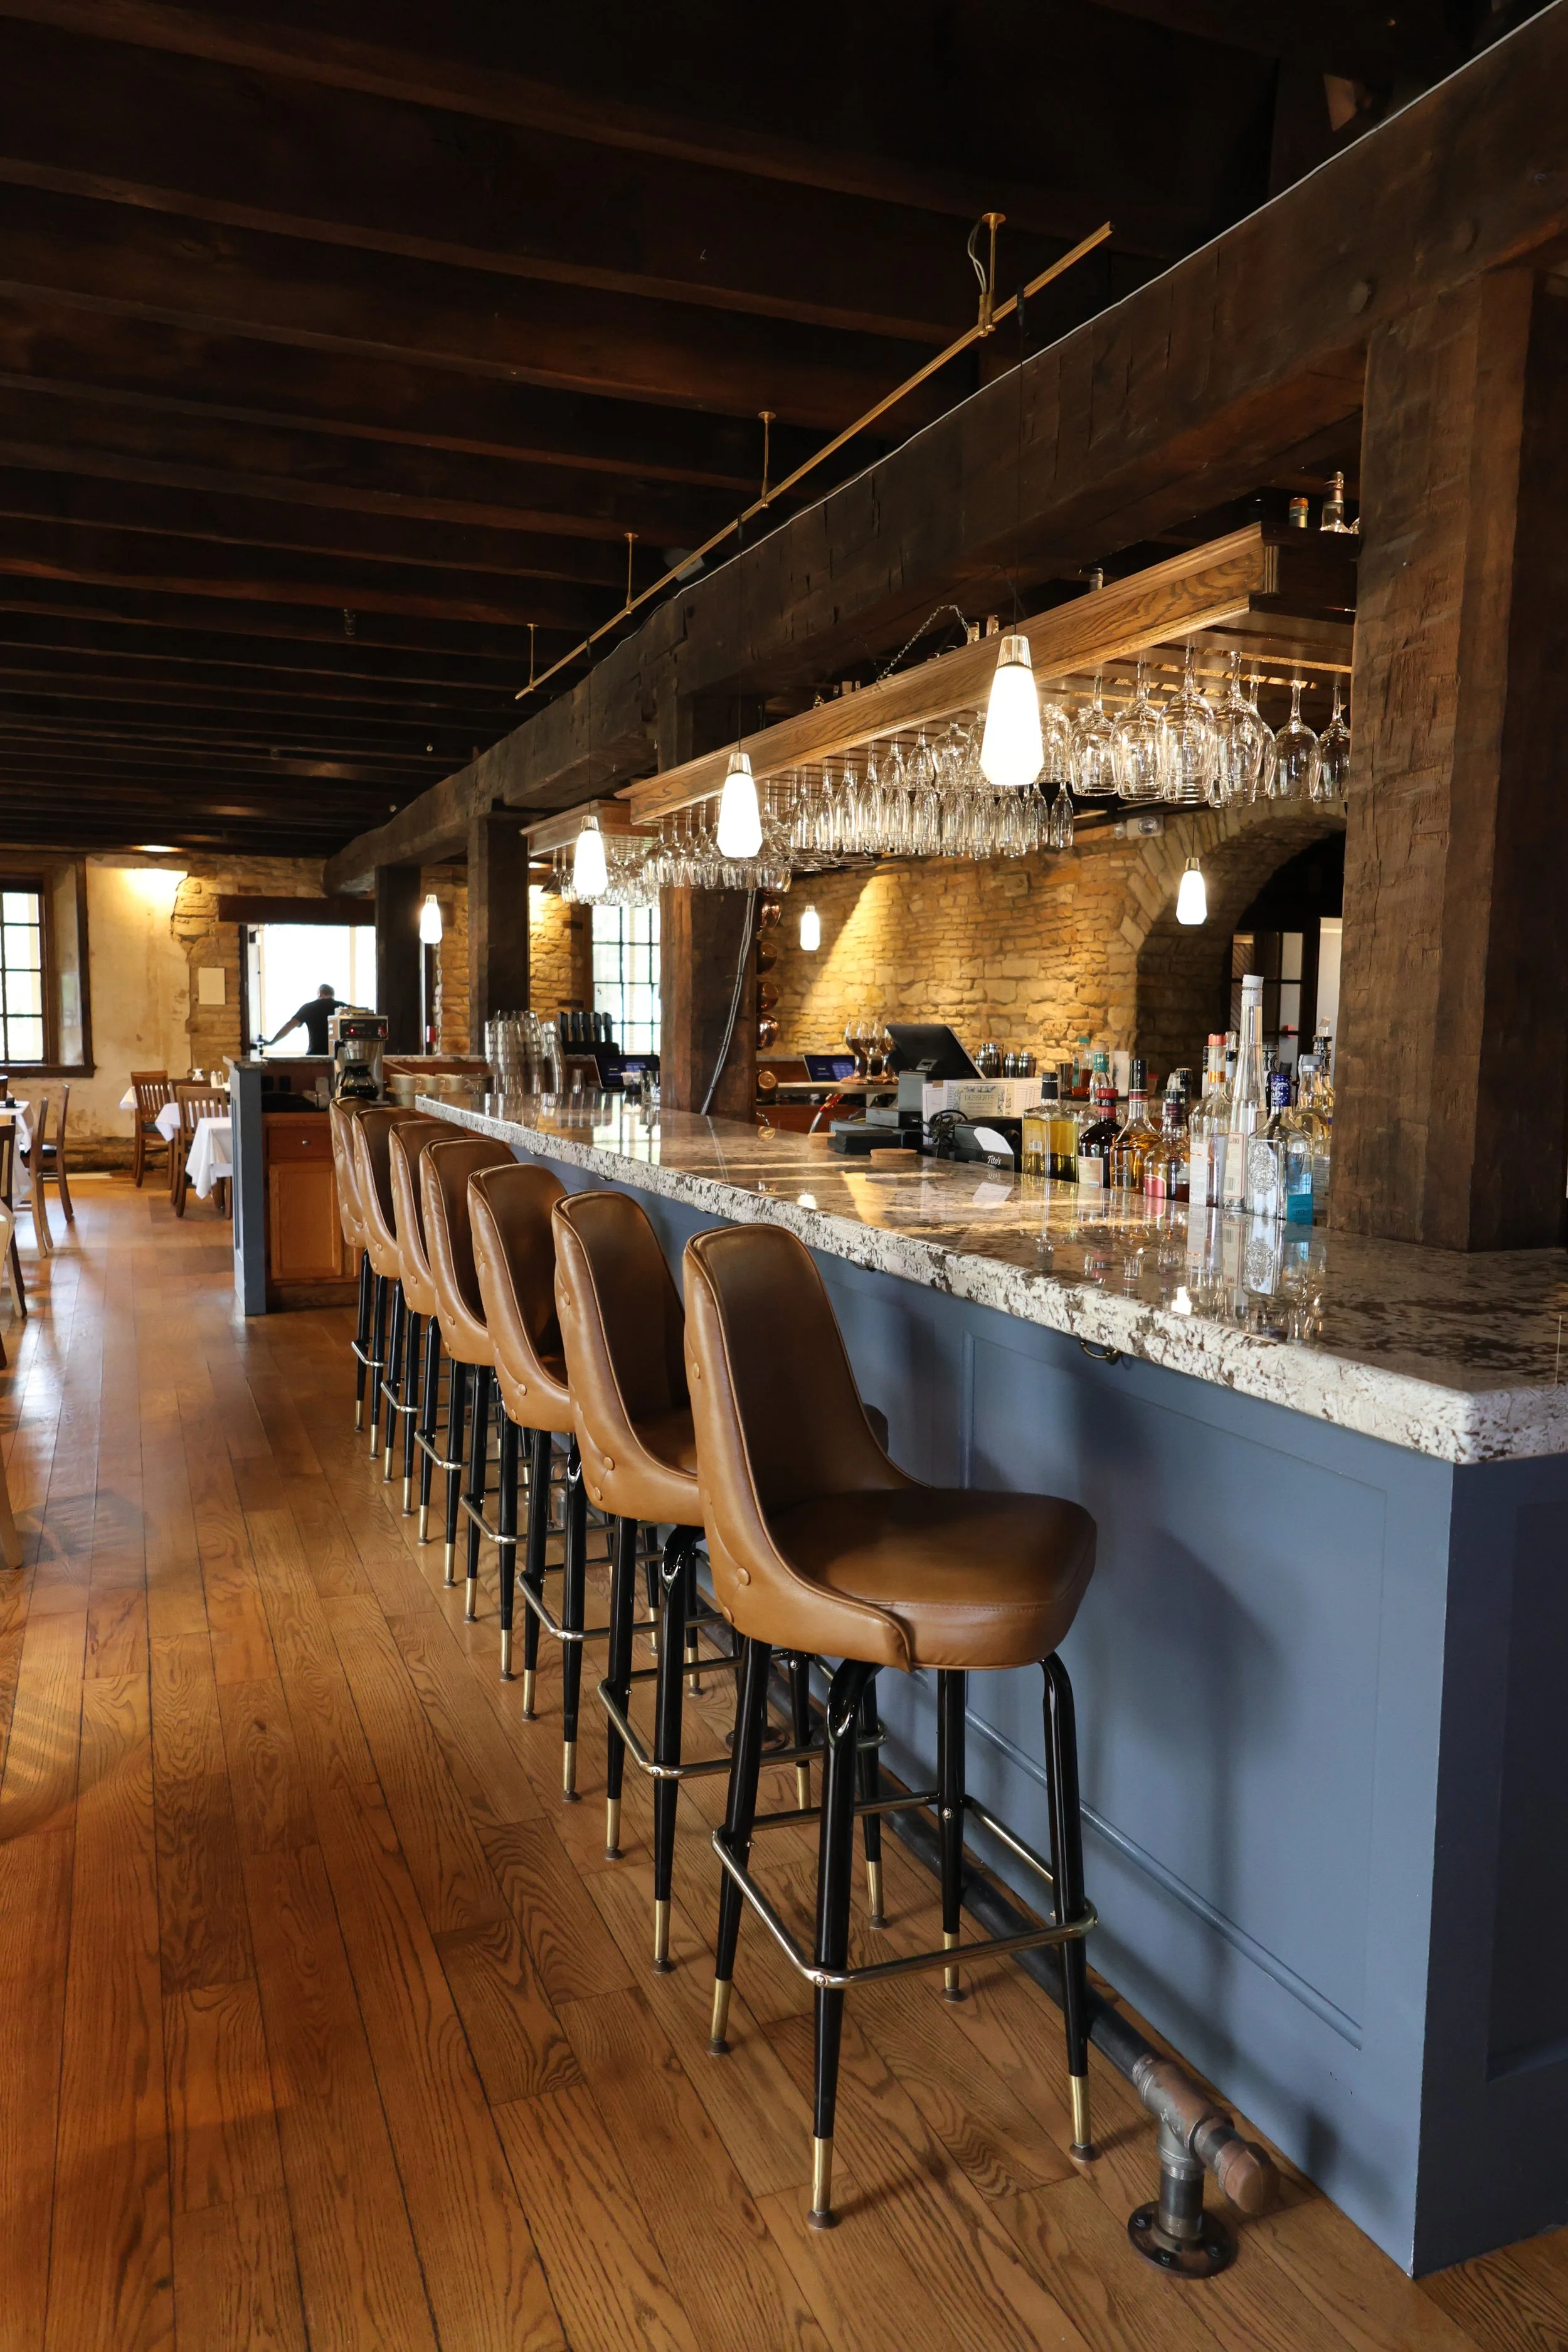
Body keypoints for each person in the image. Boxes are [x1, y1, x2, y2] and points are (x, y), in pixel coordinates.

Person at [262, 983, 346, 1056]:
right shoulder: (342, 1007)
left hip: (316, 1054)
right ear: (333, 996)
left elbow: (289, 1025)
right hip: (339, 1055)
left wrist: (272, 1042)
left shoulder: (309, 1007)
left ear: (319, 994)